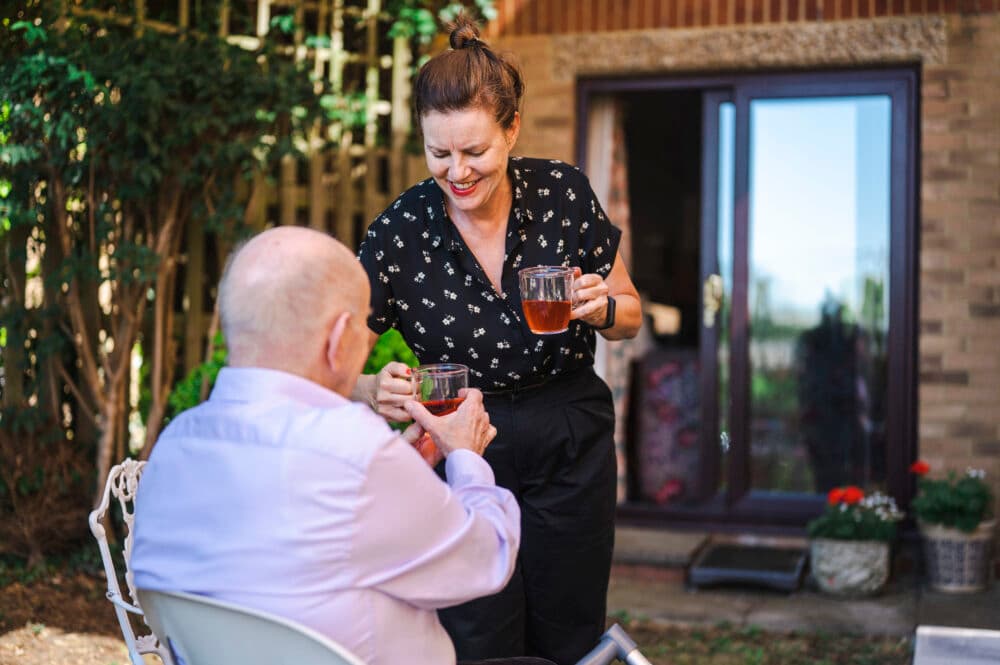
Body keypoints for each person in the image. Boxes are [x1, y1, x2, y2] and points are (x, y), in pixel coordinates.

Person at [354, 17, 642, 665]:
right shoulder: (400, 229)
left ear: (511, 129)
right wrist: (370, 385)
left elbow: (632, 313)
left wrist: (602, 307)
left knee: (569, 630)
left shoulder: (562, 194)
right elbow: (332, 349)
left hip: (568, 429)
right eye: (439, 153)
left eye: (474, 151)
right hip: (464, 438)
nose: (457, 171)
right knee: (476, 634)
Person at [130, 226, 524, 665]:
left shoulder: (174, 446)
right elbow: (488, 558)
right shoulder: (356, 453)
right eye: (363, 322)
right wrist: (466, 456)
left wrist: (401, 474)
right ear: (339, 340)